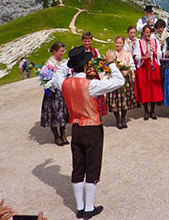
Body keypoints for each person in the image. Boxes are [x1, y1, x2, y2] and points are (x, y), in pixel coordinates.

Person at [52, 47, 124, 219]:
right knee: (92, 167)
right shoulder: (91, 85)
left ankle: (79, 207)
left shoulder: (65, 84)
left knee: (78, 167)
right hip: (92, 128)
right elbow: (119, 80)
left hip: (76, 128)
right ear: (85, 66)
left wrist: (65, 65)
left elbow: (56, 77)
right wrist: (111, 63)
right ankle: (89, 208)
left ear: (72, 67)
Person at [40, 42, 70, 146]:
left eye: (64, 51)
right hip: (53, 93)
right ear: (54, 51)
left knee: (62, 113)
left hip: (62, 91)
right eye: (61, 51)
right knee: (53, 113)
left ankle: (63, 134)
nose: (63, 53)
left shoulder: (64, 62)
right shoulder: (49, 64)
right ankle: (56, 136)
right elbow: (44, 76)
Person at [134, 25, 163, 120]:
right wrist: (144, 57)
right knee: (145, 89)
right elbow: (136, 56)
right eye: (146, 32)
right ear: (143, 33)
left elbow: (160, 54)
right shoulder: (139, 42)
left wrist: (155, 53)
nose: (148, 34)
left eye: (149, 32)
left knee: (153, 89)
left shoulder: (155, 41)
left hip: (153, 66)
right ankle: (146, 110)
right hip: (144, 67)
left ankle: (153, 111)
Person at [107, 36, 137, 129]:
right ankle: (118, 119)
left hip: (125, 80)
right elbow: (107, 67)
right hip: (114, 80)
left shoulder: (127, 54)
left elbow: (132, 66)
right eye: (116, 43)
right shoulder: (111, 54)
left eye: (120, 43)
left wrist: (128, 71)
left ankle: (123, 118)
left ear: (123, 44)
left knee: (124, 100)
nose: (118, 45)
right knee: (115, 100)